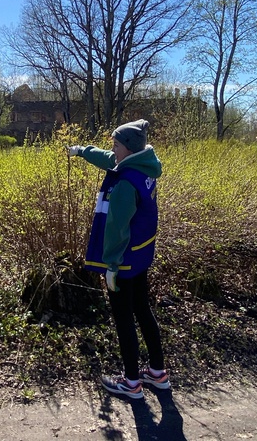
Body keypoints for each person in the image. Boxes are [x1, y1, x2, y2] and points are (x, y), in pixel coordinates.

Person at [68, 119, 170, 400]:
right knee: (142, 310)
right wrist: (81, 151)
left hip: (123, 263)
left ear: (128, 149)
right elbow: (108, 158)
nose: (112, 150)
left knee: (124, 319)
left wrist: (111, 266)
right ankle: (158, 373)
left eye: (115, 145)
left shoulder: (125, 184)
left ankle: (131, 383)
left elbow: (116, 228)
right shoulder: (143, 168)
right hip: (141, 256)